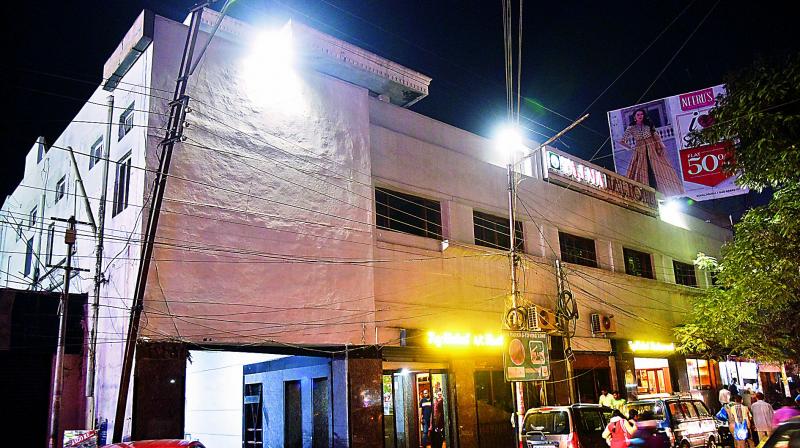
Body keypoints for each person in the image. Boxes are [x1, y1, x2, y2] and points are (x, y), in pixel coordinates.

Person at [618, 108, 684, 196]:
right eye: (638, 115)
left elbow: (656, 136)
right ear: (634, 117)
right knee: (641, 168)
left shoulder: (648, 124)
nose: (640, 116)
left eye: (641, 114)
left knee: (658, 167)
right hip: (640, 149)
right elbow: (622, 141)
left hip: (652, 147)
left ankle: (663, 190)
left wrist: (661, 146)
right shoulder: (631, 128)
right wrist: (631, 148)